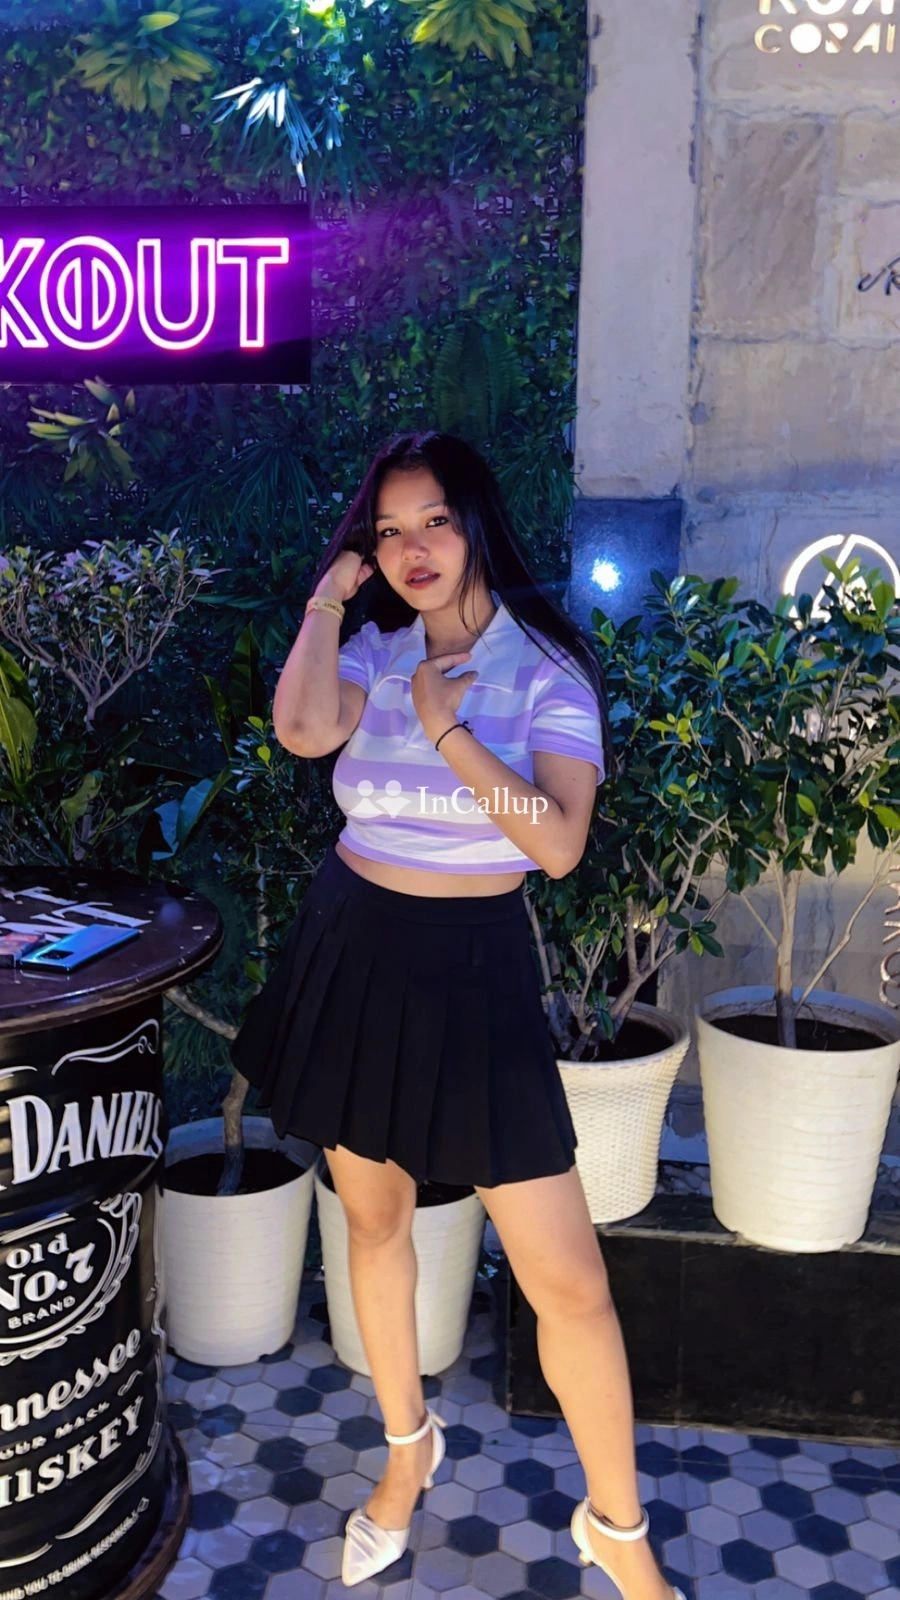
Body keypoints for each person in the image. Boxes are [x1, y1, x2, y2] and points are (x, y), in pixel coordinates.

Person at [230, 432, 684, 1600]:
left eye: (433, 519)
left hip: (474, 969)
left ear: (477, 520)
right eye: (387, 530)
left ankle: (619, 1530)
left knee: (566, 1279)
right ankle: (407, 1450)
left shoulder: (544, 669)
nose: (411, 548)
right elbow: (301, 730)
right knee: (374, 1221)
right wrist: (328, 599)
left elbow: (559, 843)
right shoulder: (376, 648)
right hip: (352, 949)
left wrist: (448, 730)